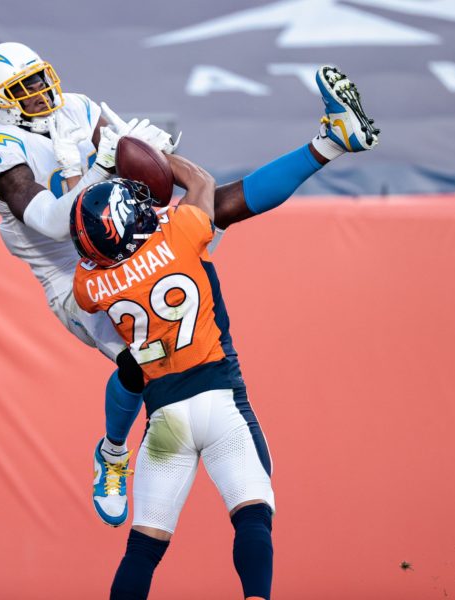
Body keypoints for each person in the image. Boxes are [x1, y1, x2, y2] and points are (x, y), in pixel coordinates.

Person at [0, 41, 378, 528]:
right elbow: (50, 221)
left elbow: (132, 160)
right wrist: (97, 166)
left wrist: (158, 156)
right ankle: (112, 456)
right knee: (140, 363)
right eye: (24, 89)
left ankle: (330, 142)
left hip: (124, 229)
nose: (43, 91)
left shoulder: (75, 107)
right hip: (74, 274)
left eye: (41, 77)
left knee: (214, 204)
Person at [69, 156, 273, 599]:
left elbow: (94, 255)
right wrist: (160, 155)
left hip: (165, 424)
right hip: (221, 401)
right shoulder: (180, 233)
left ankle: (112, 451)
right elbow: (202, 179)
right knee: (252, 516)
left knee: (143, 549)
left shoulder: (90, 286)